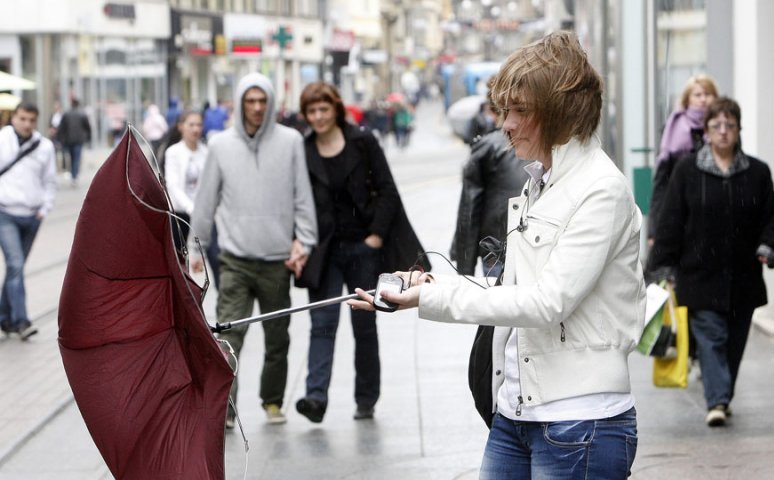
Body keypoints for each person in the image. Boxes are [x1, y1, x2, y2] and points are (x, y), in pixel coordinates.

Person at [350, 31, 644, 480]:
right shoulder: (543, 182)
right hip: (516, 416)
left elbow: (546, 302)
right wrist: (425, 289)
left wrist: (442, 300)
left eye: (518, 111)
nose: (503, 124)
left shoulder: (602, 190)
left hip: (579, 425)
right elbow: (517, 289)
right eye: (502, 110)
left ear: (560, 112)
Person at [293, 81, 428, 424]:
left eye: (324, 109)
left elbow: (387, 190)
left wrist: (376, 237)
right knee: (322, 323)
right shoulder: (303, 149)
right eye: (312, 111)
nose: (319, 116)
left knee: (363, 325)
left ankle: (366, 398)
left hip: (362, 248)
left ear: (335, 109)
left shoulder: (362, 142)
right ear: (306, 115)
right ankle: (315, 397)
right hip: (323, 251)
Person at [191, 73, 318, 428]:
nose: (257, 107)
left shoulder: (290, 141)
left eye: (263, 101)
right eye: (250, 100)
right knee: (228, 337)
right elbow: (205, 201)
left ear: (272, 103)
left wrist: (304, 241)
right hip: (234, 259)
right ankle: (226, 408)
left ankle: (273, 401)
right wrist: (194, 248)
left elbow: (302, 196)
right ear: (240, 102)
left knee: (278, 336)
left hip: (277, 260)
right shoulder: (220, 144)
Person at [647, 97, 774, 427]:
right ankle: (717, 399)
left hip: (744, 276)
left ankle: (722, 393)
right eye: (716, 126)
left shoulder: (758, 172)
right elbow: (671, 219)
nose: (723, 132)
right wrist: (662, 265)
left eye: (729, 126)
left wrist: (767, 246)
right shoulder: (687, 170)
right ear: (705, 132)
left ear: (738, 130)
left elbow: (772, 216)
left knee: (734, 343)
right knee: (711, 338)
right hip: (699, 274)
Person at [450, 103, 530, 277]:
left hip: (497, 250)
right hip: (530, 248)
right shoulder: (545, 144)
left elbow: (469, 211)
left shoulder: (487, 146)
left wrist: (465, 270)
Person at [0, 103, 58, 340]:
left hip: (32, 216)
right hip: (5, 213)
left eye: (31, 120)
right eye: (22, 118)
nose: (26, 124)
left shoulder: (44, 146)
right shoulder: (2, 139)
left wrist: (44, 208)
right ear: (14, 117)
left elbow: (50, 180)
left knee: (17, 268)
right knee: (15, 264)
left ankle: (4, 318)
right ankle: (22, 321)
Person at [648, 74, 718, 242]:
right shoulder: (673, 129)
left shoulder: (723, 129)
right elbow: (661, 184)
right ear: (687, 100)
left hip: (714, 212)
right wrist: (654, 229)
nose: (703, 100)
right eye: (698, 95)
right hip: (680, 212)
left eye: (707, 94)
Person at [163, 110, 220, 288]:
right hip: (181, 216)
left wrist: (206, 210)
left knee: (217, 259)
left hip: (205, 216)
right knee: (180, 266)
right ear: (181, 127)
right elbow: (173, 186)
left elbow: (212, 183)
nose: (196, 129)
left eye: (199, 125)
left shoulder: (207, 151)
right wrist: (191, 208)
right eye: (191, 125)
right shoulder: (173, 152)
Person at [56, 99, 92, 187]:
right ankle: (74, 177)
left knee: (72, 158)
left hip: (68, 140)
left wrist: (60, 139)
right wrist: (88, 138)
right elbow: (88, 127)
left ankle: (73, 175)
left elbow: (61, 128)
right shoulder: (82, 114)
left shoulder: (66, 114)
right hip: (78, 140)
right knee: (76, 158)